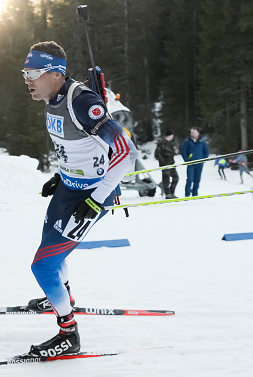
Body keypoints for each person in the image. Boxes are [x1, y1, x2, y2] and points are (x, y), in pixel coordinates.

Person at [21, 41, 137, 358]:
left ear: (55, 73)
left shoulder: (82, 102)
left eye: (34, 72)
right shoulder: (51, 99)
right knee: (49, 251)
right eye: (25, 73)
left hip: (90, 196)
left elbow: (127, 154)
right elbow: (78, 148)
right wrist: (60, 176)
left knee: (43, 266)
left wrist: (96, 201)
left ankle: (68, 334)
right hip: (69, 188)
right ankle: (62, 297)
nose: (28, 79)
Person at [180, 127, 209, 197]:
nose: (192, 134)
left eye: (194, 132)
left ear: (198, 133)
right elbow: (183, 151)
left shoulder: (202, 142)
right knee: (190, 179)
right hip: (191, 163)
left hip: (199, 163)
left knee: (197, 179)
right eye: (191, 132)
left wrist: (204, 159)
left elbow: (206, 152)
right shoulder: (187, 141)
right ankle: (187, 193)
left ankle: (195, 193)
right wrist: (186, 160)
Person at [154, 130, 179, 199]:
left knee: (176, 178)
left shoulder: (171, 143)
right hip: (164, 164)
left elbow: (171, 153)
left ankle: (172, 192)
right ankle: (167, 194)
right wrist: (163, 162)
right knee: (166, 179)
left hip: (171, 163)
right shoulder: (161, 143)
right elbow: (157, 154)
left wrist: (175, 152)